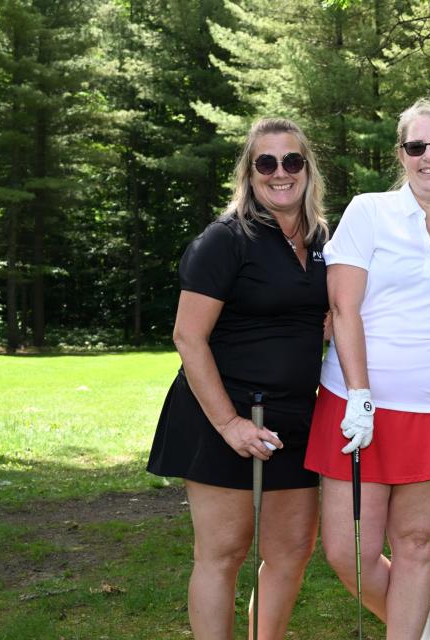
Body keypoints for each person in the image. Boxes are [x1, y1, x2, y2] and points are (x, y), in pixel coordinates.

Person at [304, 98, 430, 640]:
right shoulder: (369, 211)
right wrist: (361, 393)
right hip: (358, 405)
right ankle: (419, 627)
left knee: (417, 545)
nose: (429, 156)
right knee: (349, 553)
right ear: (402, 154)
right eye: (417, 146)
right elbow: (343, 307)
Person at [147, 117, 328, 639]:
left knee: (292, 550)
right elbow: (188, 337)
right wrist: (230, 424)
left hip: (295, 417)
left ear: (307, 169)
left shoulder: (321, 240)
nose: (279, 173)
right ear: (249, 173)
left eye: (291, 160)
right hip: (222, 416)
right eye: (265, 162)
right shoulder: (224, 239)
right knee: (222, 554)